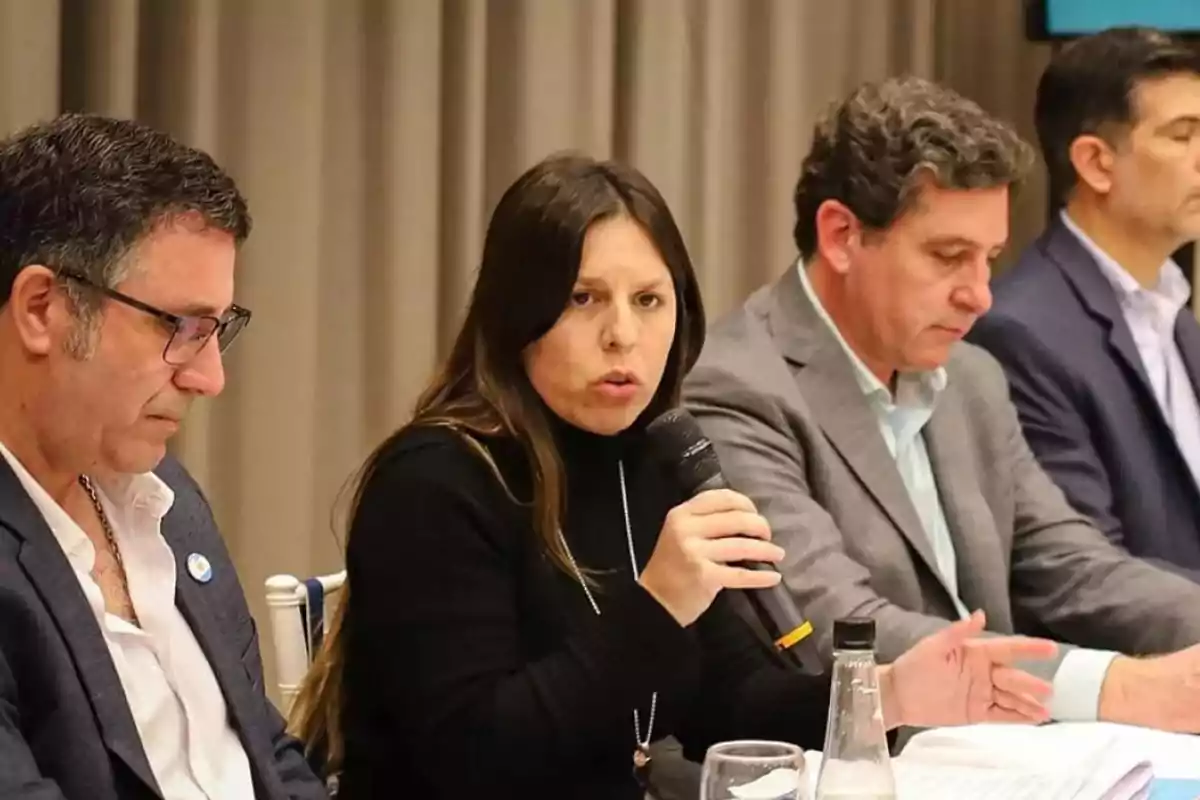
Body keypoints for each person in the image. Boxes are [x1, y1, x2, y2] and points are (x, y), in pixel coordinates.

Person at [288, 153, 1056, 800]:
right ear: (517, 312)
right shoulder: (435, 482)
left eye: (649, 301)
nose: (623, 335)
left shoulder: (652, 459)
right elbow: (474, 758)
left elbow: (730, 700)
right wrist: (656, 605)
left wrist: (886, 693)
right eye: (584, 299)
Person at [683, 74, 1200, 734]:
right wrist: (1116, 687)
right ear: (841, 235)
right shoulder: (736, 389)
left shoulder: (973, 378)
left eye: (988, 259)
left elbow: (1073, 565)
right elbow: (838, 631)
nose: (980, 296)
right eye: (949, 257)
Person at [0, 114, 327, 799]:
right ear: (41, 309)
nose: (209, 377)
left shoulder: (166, 499)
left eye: (216, 331)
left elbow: (262, 747)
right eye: (179, 327)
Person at [966, 28, 1200, 582]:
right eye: (1183, 135)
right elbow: (1088, 571)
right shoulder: (1022, 332)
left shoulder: (1175, 314)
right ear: (1096, 163)